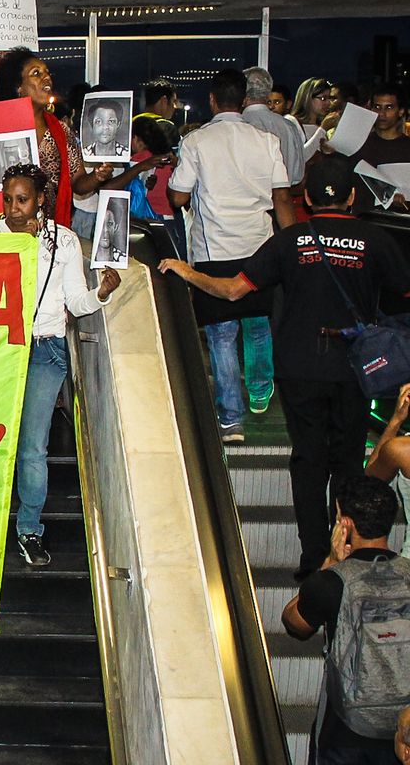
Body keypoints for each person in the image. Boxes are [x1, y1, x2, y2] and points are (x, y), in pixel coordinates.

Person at [160, 156, 410, 578]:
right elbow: (403, 293)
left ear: (307, 197)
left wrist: (188, 272)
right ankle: (348, 549)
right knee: (348, 460)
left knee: (309, 460)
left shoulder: (291, 240)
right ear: (352, 196)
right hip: (355, 368)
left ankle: (314, 560)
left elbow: (234, 290)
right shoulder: (375, 239)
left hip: (299, 365)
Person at [0, 164, 118, 566]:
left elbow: (75, 302)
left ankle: (29, 530)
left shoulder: (63, 241)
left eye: (22, 200)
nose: (13, 208)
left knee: (32, 447)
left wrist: (101, 294)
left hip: (45, 349)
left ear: (40, 200)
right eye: (7, 200)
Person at [167, 69, 294, 443]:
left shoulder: (197, 141)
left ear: (211, 100)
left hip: (215, 249)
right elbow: (281, 196)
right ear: (244, 100)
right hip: (260, 246)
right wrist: (291, 245)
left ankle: (231, 420)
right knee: (258, 325)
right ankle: (260, 393)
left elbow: (178, 196)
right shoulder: (266, 141)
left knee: (222, 335)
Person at [281, 476, 407, 763]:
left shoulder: (333, 582)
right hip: (403, 731)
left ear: (345, 524)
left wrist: (330, 563)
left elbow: (294, 623)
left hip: (345, 732)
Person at [0, 49, 114, 232]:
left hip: (49, 231)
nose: (46, 77)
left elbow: (78, 182)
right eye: (36, 73)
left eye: (47, 72)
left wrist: (97, 176)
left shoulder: (60, 131)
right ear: (18, 87)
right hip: (6, 230)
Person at [243, 67, 307, 197]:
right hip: (283, 201)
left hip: (247, 202)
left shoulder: (239, 125)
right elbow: (298, 175)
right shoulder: (289, 126)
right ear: (268, 92)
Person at [136, 81, 182, 151]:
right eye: (174, 101)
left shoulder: (132, 124)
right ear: (164, 101)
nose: (175, 107)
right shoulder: (167, 128)